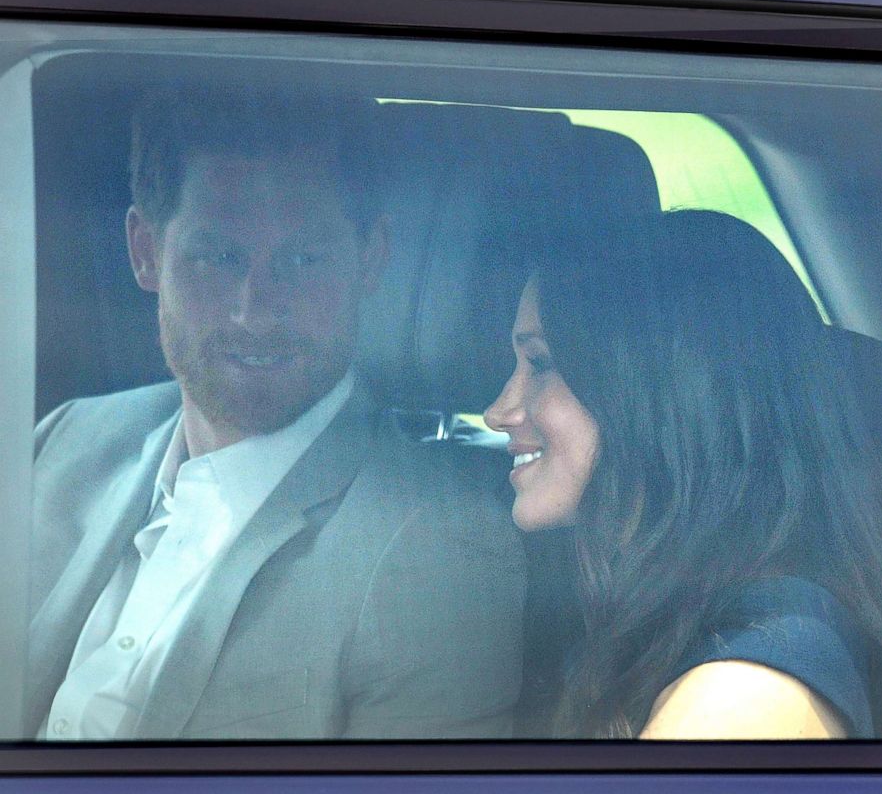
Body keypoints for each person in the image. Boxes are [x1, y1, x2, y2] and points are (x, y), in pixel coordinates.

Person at [27, 85, 524, 740]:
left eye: (302, 259)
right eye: (217, 256)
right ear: (146, 251)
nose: (255, 308)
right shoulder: (65, 440)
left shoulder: (439, 551)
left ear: (370, 257)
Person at [485, 209, 882, 739]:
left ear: (666, 395)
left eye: (541, 364)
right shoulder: (679, 628)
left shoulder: (743, 698)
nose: (498, 411)